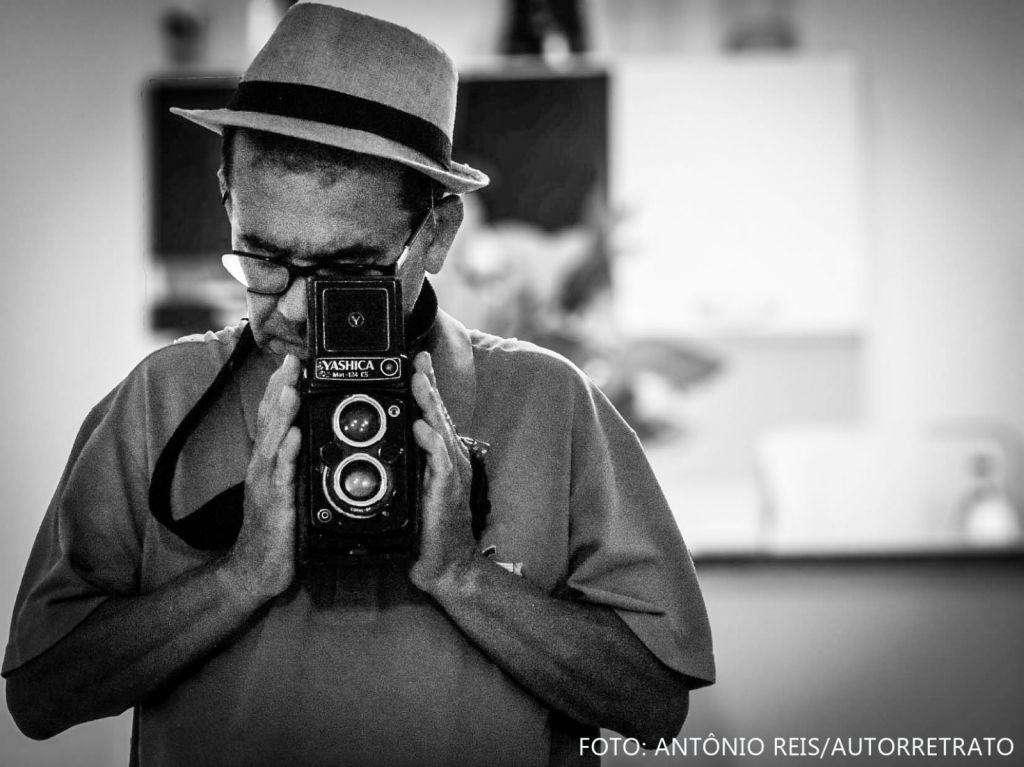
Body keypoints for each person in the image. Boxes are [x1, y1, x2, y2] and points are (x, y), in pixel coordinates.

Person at [4, 3, 714, 765]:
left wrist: (462, 576)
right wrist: (240, 576)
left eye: (347, 270)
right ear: (227, 197)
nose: (296, 310)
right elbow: (42, 694)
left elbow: (653, 703)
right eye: (263, 258)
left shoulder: (549, 401)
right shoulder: (160, 398)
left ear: (436, 233)